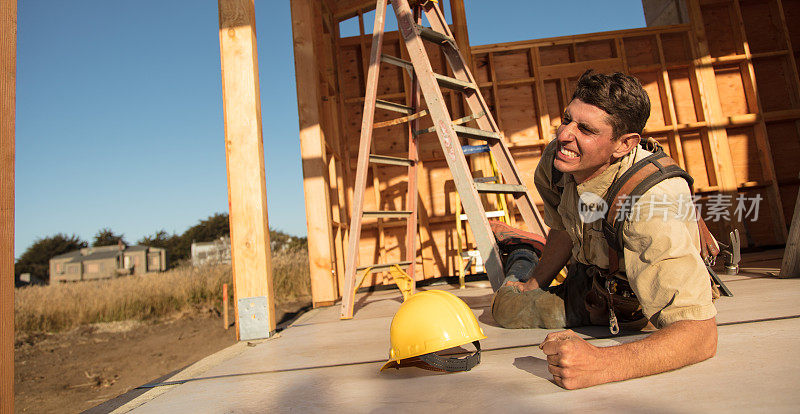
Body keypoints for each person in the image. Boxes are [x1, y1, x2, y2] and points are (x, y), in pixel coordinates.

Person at [490, 70, 718, 390]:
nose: (565, 135)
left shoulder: (649, 206)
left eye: (585, 129)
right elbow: (565, 228)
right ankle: (525, 251)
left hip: (627, 299)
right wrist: (532, 285)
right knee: (508, 307)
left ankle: (524, 247)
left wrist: (602, 363)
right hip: (593, 277)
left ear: (624, 144)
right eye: (566, 119)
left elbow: (700, 336)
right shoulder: (559, 162)